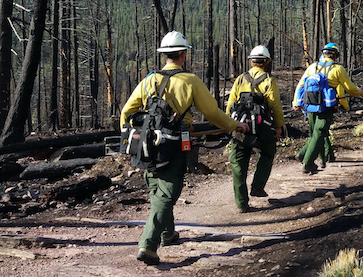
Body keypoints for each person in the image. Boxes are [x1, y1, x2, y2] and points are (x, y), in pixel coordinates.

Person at [121, 31, 249, 266]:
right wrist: (236, 126)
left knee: (157, 189)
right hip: (174, 144)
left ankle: (167, 234)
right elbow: (212, 113)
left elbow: (127, 111)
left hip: (146, 145)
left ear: (165, 55)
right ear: (182, 54)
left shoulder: (149, 79)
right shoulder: (189, 81)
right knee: (169, 191)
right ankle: (148, 245)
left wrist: (129, 137)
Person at [225, 45, 284, 212]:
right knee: (267, 152)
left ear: (251, 62)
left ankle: (241, 202)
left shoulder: (240, 79)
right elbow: (275, 106)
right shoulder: (268, 81)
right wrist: (279, 126)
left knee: (237, 162)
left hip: (241, 127)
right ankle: (257, 186)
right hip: (262, 128)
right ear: (266, 62)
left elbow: (231, 104)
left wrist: (229, 124)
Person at [293, 42, 361, 174]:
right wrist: (360, 93)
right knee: (320, 132)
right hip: (326, 107)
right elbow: (349, 88)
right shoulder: (337, 69)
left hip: (310, 106)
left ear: (323, 54)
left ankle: (304, 154)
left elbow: (301, 85)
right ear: (335, 55)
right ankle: (308, 162)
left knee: (316, 133)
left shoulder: (312, 67)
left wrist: (296, 103)